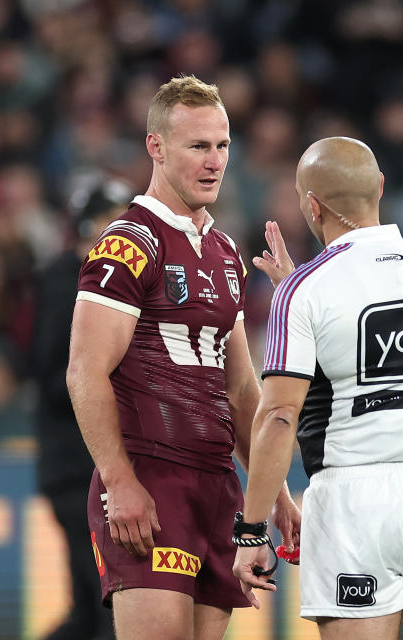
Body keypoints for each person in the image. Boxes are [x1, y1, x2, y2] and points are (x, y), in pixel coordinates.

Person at [65, 75, 300, 640]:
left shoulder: (224, 251)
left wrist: (274, 492)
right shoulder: (127, 244)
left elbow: (242, 391)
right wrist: (119, 480)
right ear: (156, 147)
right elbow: (84, 371)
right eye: (197, 146)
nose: (214, 160)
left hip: (217, 484)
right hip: (151, 478)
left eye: (221, 145)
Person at [232, 137, 403, 640]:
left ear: (311, 205)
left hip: (354, 505)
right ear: (381, 188)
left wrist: (252, 529)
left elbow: (280, 415)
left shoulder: (304, 291)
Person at [32, 178, 132, 640]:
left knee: (93, 609)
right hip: (78, 467)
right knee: (106, 608)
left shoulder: (97, 279)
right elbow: (53, 375)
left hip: (85, 467)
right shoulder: (67, 280)